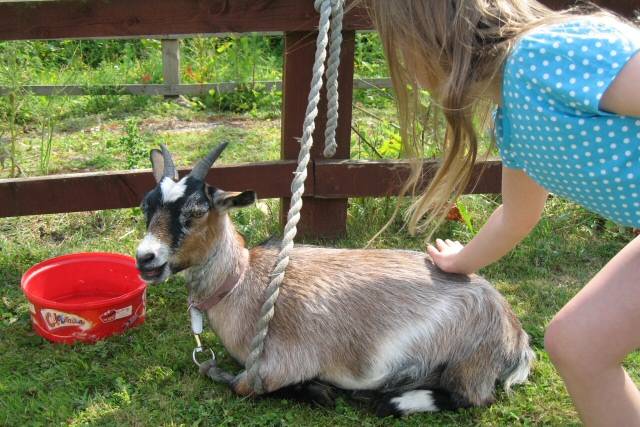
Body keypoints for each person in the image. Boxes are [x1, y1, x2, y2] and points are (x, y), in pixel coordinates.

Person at [364, 0, 640, 425]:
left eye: (399, 47)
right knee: (578, 344)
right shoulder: (511, 113)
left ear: (428, 38)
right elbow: (516, 215)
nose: (402, 63)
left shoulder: (547, 56)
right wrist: (460, 261)